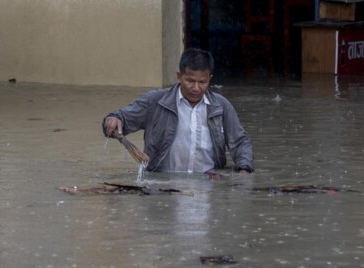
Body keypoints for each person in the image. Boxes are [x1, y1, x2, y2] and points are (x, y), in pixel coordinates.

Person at [102, 48, 254, 174]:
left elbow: (240, 143)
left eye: (202, 82)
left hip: (208, 187)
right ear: (179, 76)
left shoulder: (221, 106)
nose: (196, 88)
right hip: (162, 188)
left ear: (210, 79)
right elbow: (122, 118)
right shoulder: (155, 101)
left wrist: (244, 171)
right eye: (190, 81)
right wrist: (113, 119)